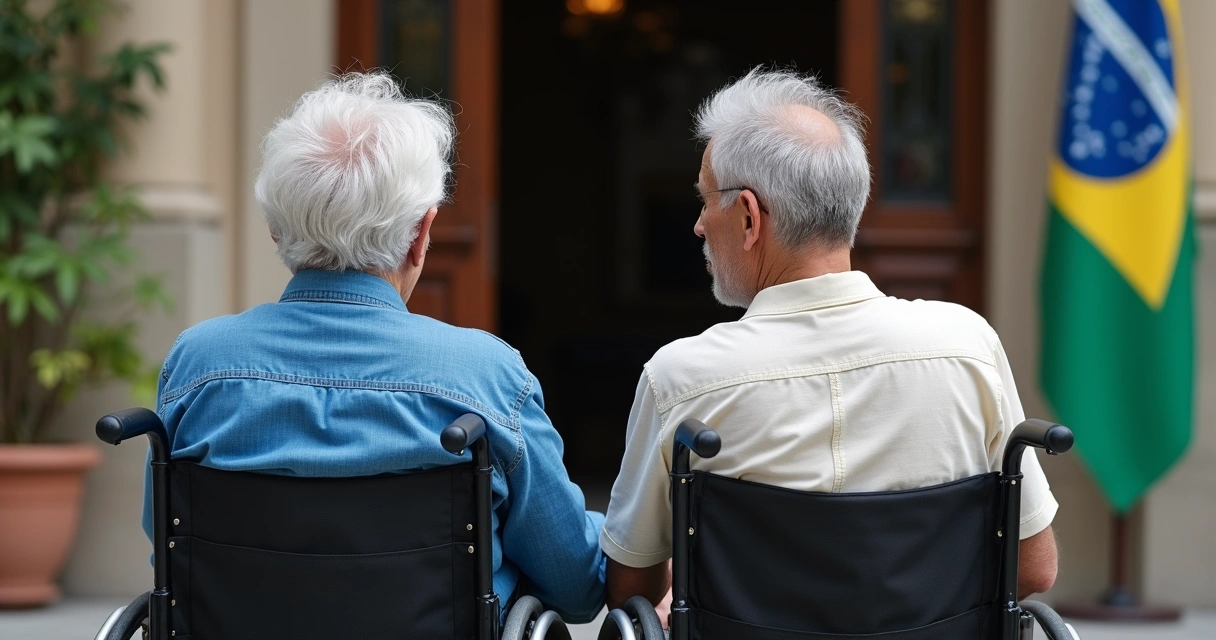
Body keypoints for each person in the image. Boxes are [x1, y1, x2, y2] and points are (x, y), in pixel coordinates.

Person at [143, 72, 605, 622]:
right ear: (420, 233)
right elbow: (577, 586)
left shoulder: (198, 364)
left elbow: (168, 546)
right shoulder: (487, 377)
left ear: (275, 230)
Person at [600, 68, 1060, 611]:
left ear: (749, 216)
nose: (699, 225)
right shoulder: (968, 347)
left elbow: (631, 590)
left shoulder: (681, 379)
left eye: (705, 201)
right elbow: (1034, 567)